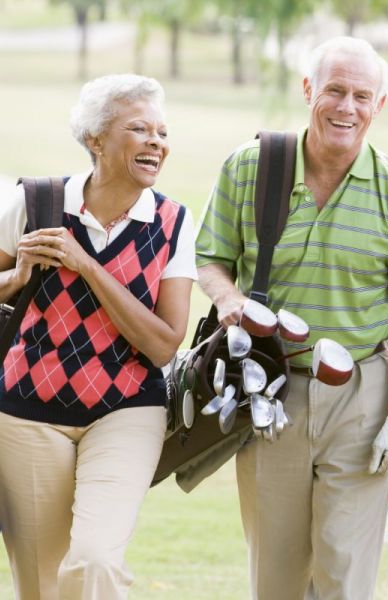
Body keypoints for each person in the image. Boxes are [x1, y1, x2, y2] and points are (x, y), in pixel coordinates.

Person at [194, 36, 388, 599]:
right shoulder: (251, 166)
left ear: (379, 106)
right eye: (334, 90)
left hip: (362, 395)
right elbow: (211, 258)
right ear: (308, 91)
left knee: (345, 572)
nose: (346, 108)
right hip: (269, 390)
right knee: (277, 575)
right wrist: (227, 298)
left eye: (362, 95)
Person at [0, 74, 196, 599]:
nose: (157, 141)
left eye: (162, 132)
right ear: (96, 140)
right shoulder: (35, 202)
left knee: (95, 561)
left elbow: (163, 344)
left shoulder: (174, 223)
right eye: (139, 129)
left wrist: (88, 266)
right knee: (41, 584)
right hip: (26, 413)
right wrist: (14, 280)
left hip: (127, 410)